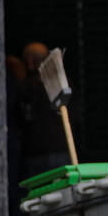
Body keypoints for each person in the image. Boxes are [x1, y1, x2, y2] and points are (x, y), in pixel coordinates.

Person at [20, 42, 71, 180]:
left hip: (37, 153)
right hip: (60, 149)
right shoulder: (64, 84)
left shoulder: (27, 88)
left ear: (29, 62)